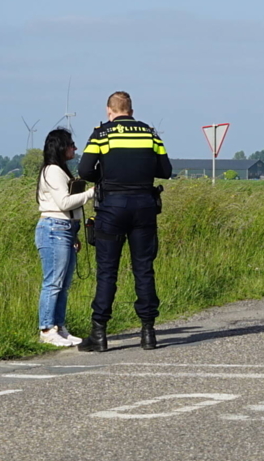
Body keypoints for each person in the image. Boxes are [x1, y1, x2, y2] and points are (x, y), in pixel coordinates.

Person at [77, 91, 172, 352]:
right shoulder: (150, 134)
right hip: (144, 207)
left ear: (110, 110)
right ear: (130, 109)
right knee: (144, 269)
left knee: (107, 271)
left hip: (111, 208)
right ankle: (148, 332)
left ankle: (99, 334)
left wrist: (105, 178)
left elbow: (84, 171)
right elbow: (166, 171)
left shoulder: (102, 134)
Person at [35, 128, 95, 347]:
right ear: (61, 147)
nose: (74, 148)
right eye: (71, 144)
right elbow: (64, 203)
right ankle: (47, 328)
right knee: (53, 282)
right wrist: (90, 193)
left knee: (64, 282)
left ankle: (59, 326)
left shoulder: (60, 170)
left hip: (66, 229)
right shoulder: (52, 171)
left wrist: (75, 233)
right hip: (55, 228)